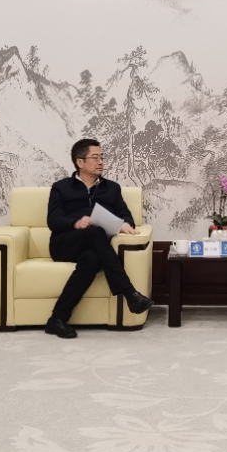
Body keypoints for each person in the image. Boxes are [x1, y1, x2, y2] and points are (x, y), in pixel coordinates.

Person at [44, 139, 152, 338]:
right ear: (80, 162)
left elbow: (126, 216)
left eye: (102, 157)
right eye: (95, 157)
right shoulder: (61, 187)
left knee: (93, 258)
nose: (101, 161)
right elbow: (53, 220)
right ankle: (130, 293)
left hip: (95, 246)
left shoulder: (112, 188)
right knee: (94, 232)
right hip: (64, 244)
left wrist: (124, 224)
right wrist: (75, 223)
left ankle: (57, 319)